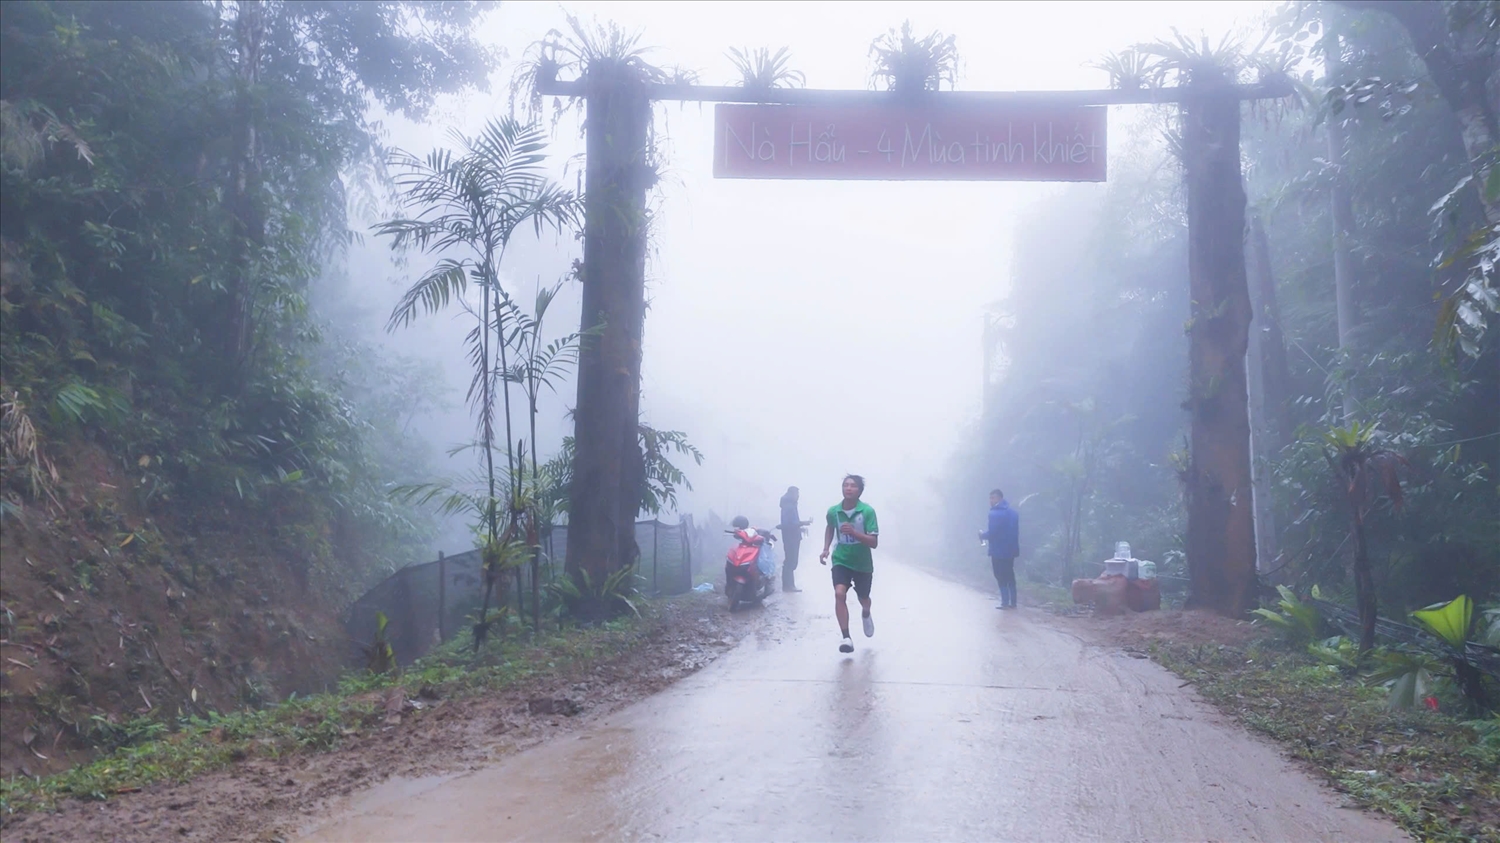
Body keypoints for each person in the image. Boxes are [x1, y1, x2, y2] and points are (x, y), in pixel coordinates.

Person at [819, 475, 879, 653]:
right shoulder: (834, 511)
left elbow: (873, 542)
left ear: (859, 490)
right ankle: (846, 637)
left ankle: (866, 612)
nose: (849, 488)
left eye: (853, 486)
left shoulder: (867, 511)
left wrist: (854, 533)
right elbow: (830, 527)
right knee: (839, 593)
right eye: (845, 485)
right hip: (841, 559)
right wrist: (825, 548)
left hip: (862, 563)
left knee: (864, 598)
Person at [980, 488, 1021, 609]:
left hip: (998, 550)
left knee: (999, 575)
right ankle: (1013, 602)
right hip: (1011, 550)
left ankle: (1004, 602)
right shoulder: (1014, 513)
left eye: (992, 498)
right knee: (1010, 575)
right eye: (990, 498)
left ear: (999, 498)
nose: (990, 501)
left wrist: (982, 535)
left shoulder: (994, 514)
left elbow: (993, 533)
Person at [778, 486, 812, 592]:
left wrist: (800, 527)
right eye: (797, 494)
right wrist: (803, 523)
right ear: (792, 494)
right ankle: (788, 586)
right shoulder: (789, 506)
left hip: (791, 535)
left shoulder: (790, 505)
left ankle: (788, 585)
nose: (798, 496)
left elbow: (791, 523)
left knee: (791, 560)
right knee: (790, 560)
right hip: (790, 537)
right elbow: (789, 523)